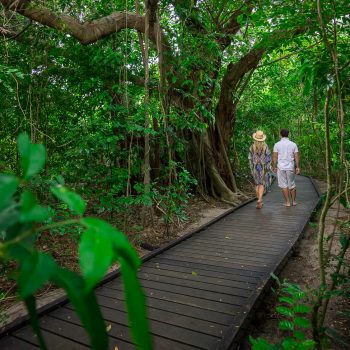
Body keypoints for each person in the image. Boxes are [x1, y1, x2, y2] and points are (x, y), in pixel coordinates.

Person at [272, 129, 300, 207]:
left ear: (280, 134)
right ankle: (294, 201)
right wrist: (298, 167)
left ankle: (287, 202)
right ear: (288, 134)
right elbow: (296, 156)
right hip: (290, 166)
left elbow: (274, 157)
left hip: (281, 167)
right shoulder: (293, 144)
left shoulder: (277, 144)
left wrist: (274, 167)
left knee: (284, 185)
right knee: (292, 184)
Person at [248, 130, 272, 209]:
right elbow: (268, 158)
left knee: (257, 184)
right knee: (261, 184)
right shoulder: (265, 146)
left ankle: (259, 202)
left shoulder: (252, 147)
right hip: (263, 168)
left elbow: (250, 158)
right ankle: (260, 199)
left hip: (255, 167)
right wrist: (268, 168)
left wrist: (251, 168)